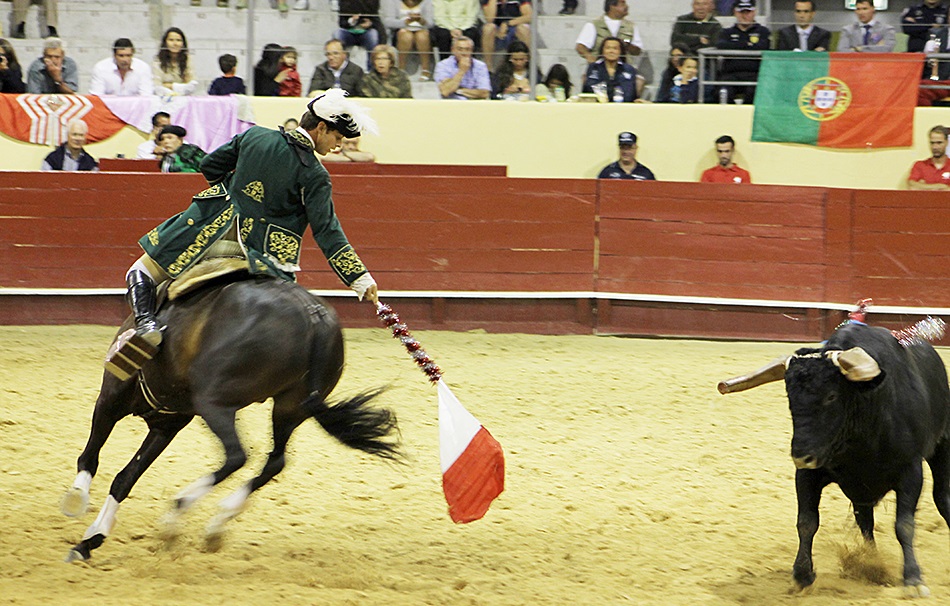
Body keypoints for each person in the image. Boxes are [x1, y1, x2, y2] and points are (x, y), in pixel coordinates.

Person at [121, 89, 380, 353]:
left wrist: (231, 193)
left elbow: (210, 164)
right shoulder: (315, 174)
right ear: (321, 127)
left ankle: (145, 325)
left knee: (139, 272)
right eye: (337, 137)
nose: (337, 145)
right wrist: (358, 278)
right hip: (263, 256)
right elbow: (326, 231)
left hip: (211, 231)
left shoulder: (255, 136)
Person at [715, 0, 770, 103]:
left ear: (754, 12)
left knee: (753, 93)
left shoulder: (763, 31)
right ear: (735, 13)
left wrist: (736, 45)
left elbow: (763, 46)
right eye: (741, 12)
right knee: (723, 92)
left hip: (754, 75)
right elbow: (721, 46)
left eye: (748, 12)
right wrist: (747, 44)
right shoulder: (726, 32)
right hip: (730, 75)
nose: (745, 16)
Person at [575, 0, 641, 66]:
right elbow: (580, 47)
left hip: (623, 69)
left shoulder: (631, 26)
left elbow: (637, 51)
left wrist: (627, 45)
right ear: (612, 7)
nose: (627, 6)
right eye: (622, 4)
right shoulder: (594, 25)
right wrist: (590, 58)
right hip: (599, 69)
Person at [582, 37, 641, 103]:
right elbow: (590, 90)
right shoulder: (593, 67)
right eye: (608, 48)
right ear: (602, 50)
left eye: (615, 48)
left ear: (620, 51)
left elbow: (630, 94)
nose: (611, 51)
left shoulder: (628, 69)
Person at [386, 0, 434, 80]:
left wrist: (421, 20)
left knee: (422, 36)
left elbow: (431, 23)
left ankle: (425, 70)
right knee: (405, 35)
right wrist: (406, 22)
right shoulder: (393, 1)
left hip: (421, 29)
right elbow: (388, 22)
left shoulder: (426, 1)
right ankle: (401, 69)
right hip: (401, 30)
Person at [89, 38, 154, 96]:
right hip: (108, 107)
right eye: (121, 56)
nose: (125, 60)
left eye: (128, 55)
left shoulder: (143, 67)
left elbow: (146, 95)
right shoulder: (101, 68)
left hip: (136, 107)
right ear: (114, 55)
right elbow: (97, 96)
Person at [480, 0, 532, 70]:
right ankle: (488, 68)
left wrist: (507, 24)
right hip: (496, 31)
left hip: (514, 28)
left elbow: (529, 16)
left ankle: (528, 66)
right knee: (488, 28)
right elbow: (489, 19)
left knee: (524, 28)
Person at [153, 27, 198, 96]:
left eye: (178, 40)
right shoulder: (158, 60)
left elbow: (191, 85)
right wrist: (179, 87)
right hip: (163, 98)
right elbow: (157, 86)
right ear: (165, 42)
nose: (175, 43)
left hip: (183, 97)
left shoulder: (188, 59)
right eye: (171, 40)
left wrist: (170, 85)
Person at [908, 125, 950, 189]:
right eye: (932, 143)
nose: (935, 147)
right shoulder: (920, 165)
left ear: (946, 142)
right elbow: (912, 185)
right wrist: (941, 186)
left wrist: (923, 186)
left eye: (939, 143)